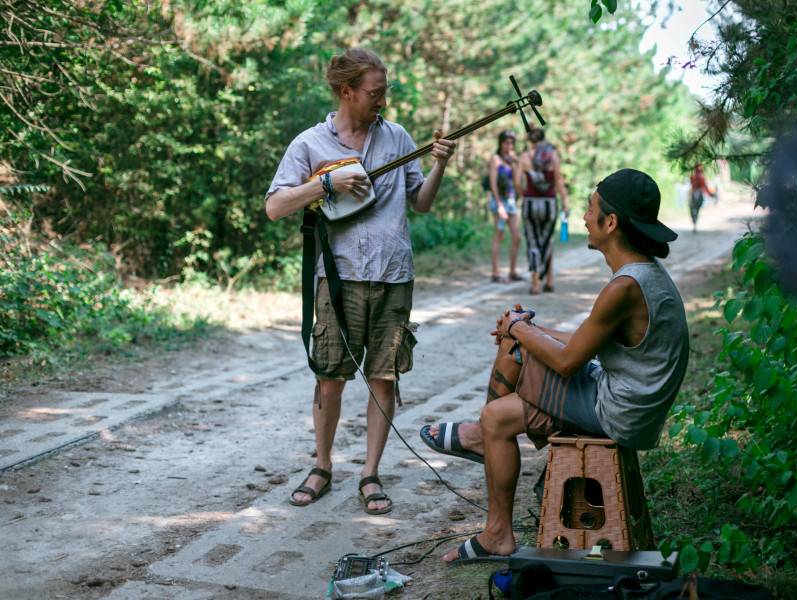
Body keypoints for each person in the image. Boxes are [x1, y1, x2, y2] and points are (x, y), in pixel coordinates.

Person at [420, 169, 689, 563]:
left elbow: (566, 361)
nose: (582, 216)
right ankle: (487, 433)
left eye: (590, 207)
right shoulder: (644, 276)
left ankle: (487, 467)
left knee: (514, 354)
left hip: (619, 411)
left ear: (610, 222)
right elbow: (583, 342)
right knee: (504, 396)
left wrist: (517, 329)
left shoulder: (624, 287)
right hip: (628, 401)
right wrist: (529, 327)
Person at [265, 48, 456, 515]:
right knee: (330, 377)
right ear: (347, 92)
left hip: (393, 275)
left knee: (384, 378)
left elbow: (422, 203)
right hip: (338, 277)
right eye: (375, 92)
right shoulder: (311, 144)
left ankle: (370, 474)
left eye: (384, 90)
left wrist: (440, 165)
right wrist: (326, 185)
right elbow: (275, 206)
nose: (382, 100)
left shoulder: (397, 138)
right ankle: (323, 466)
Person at [515, 128, 569, 295]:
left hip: (530, 204)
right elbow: (559, 180)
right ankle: (549, 280)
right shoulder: (552, 154)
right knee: (546, 241)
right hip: (549, 203)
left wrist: (524, 195)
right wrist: (565, 201)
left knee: (533, 242)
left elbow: (517, 182)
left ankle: (535, 283)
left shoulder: (524, 157)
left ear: (529, 139)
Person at [487, 130, 522, 282]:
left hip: (511, 201)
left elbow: (517, 181)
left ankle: (512, 271)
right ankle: (495, 272)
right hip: (499, 201)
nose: (509, 146)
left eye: (511, 143)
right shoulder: (495, 159)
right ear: (501, 143)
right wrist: (499, 205)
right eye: (507, 142)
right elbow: (493, 183)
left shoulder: (512, 160)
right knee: (499, 235)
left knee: (517, 237)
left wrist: (516, 163)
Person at [689, 163, 717, 232]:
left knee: (693, 208)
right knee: (696, 209)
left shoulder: (695, 176)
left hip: (695, 192)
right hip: (696, 192)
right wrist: (711, 194)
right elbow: (705, 187)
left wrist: (710, 194)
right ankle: (695, 221)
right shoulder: (700, 176)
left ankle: (694, 221)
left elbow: (704, 187)